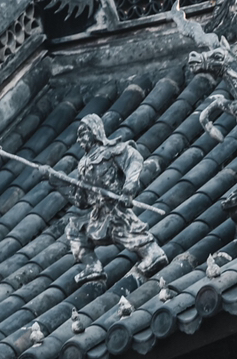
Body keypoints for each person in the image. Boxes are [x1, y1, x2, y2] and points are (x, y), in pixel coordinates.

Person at [65, 114, 168, 284]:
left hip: (115, 207)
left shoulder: (111, 150)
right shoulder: (83, 164)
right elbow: (82, 201)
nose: (79, 140)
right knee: (75, 229)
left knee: (129, 231)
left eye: (82, 133)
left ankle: (153, 254)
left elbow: (134, 159)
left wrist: (128, 188)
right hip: (98, 213)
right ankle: (92, 266)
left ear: (94, 131)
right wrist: (58, 182)